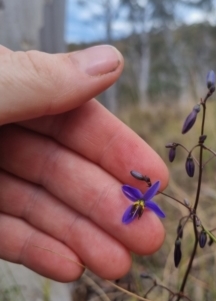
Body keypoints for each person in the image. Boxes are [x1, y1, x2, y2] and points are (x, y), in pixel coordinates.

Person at [0, 44, 169, 281]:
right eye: (140, 204)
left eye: (141, 205)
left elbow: (141, 198)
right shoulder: (137, 196)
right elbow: (128, 190)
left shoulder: (140, 198)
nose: (140, 205)